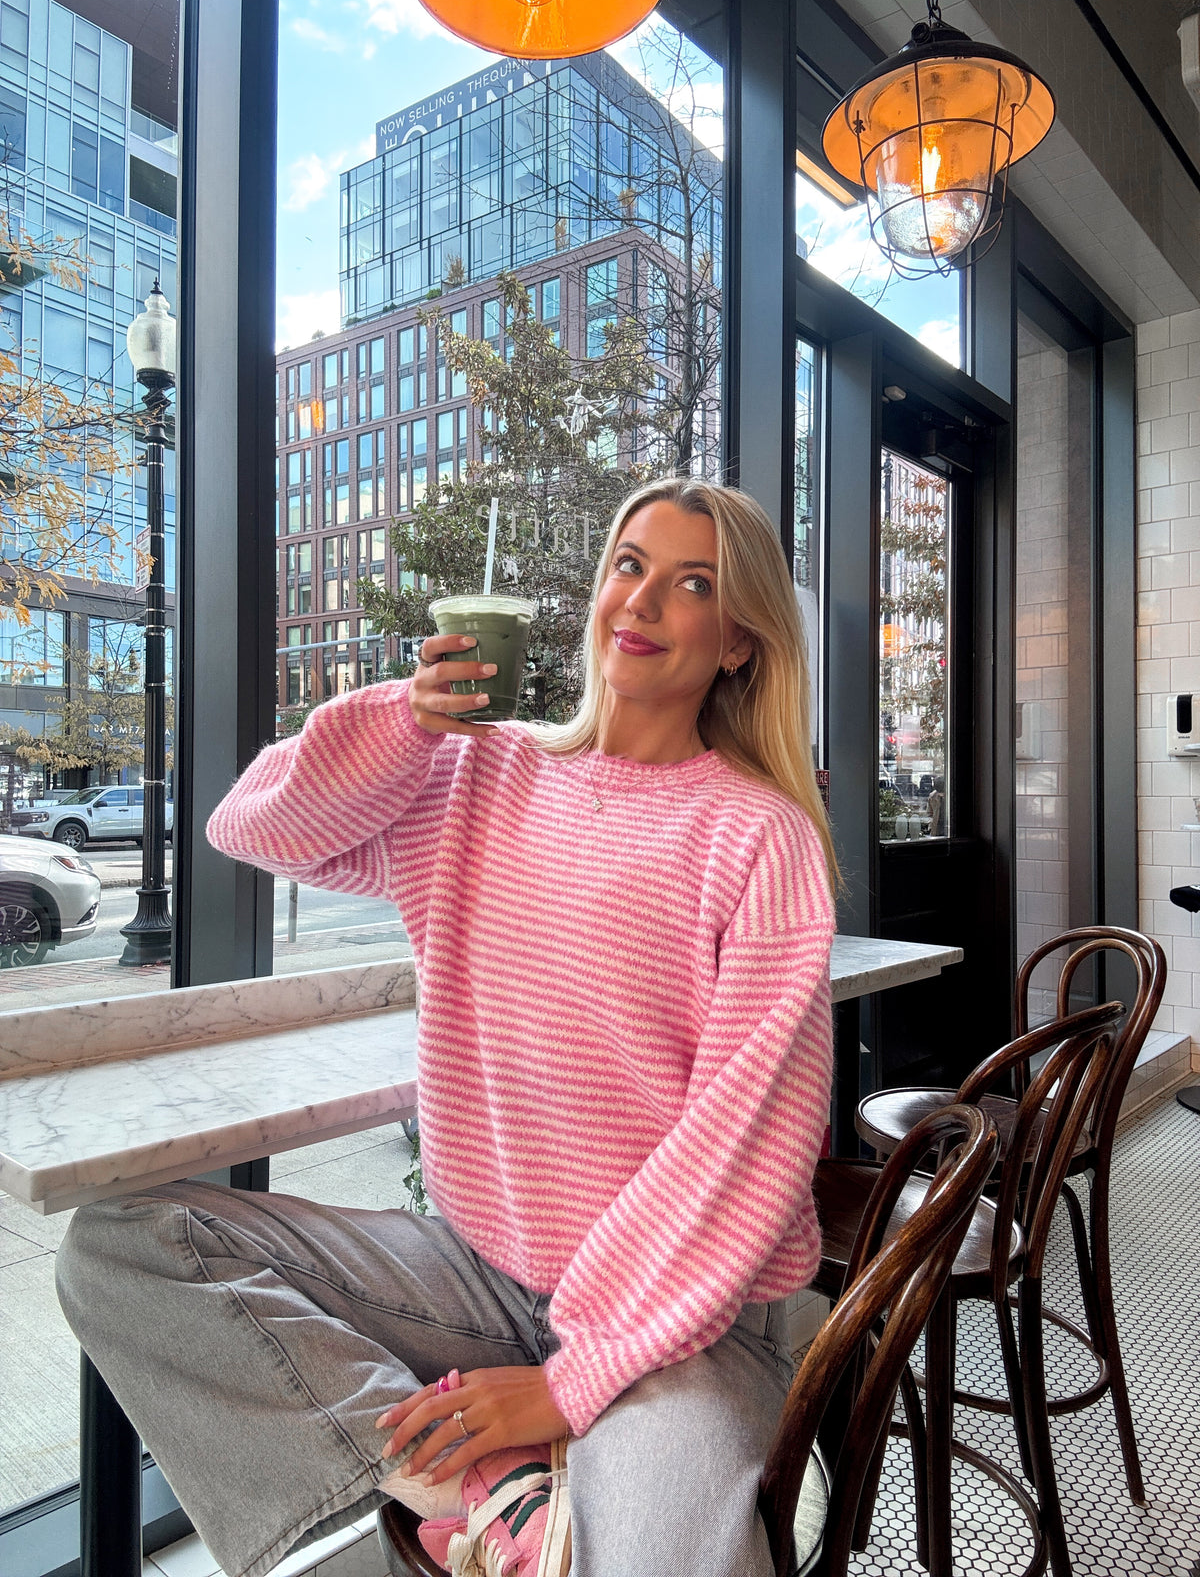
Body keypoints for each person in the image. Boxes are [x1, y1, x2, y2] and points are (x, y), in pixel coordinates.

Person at [56, 478, 836, 1577]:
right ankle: (484, 1496)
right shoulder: (479, 771)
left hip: (690, 1322)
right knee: (120, 1247)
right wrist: (402, 720)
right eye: (629, 565)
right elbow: (254, 827)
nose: (643, 600)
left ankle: (496, 1503)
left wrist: (573, 1381)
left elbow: (745, 1147)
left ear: (742, 641)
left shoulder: (760, 837)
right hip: (480, 1276)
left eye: (691, 583)